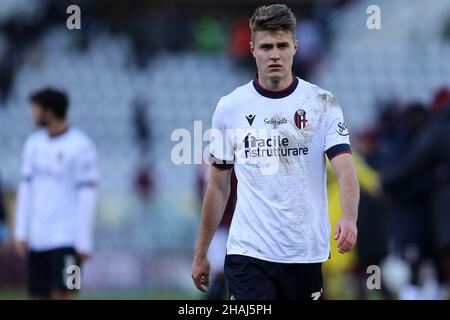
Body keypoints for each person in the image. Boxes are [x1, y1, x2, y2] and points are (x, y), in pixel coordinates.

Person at [192, 4, 359, 300]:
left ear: (295, 47)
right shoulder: (230, 108)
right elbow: (218, 187)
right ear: (252, 48)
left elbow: (345, 169)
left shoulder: (322, 103)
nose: (274, 54)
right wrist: (202, 250)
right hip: (248, 252)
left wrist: (348, 217)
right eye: (266, 46)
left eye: (282, 45)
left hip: (304, 253)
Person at [14, 88, 98, 300]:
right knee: (37, 295)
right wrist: (21, 231)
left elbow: (88, 194)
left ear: (49, 112)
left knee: (66, 293)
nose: (32, 113)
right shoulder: (33, 144)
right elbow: (26, 190)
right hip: (38, 238)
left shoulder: (81, 145)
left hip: (68, 238)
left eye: (35, 108)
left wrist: (84, 240)